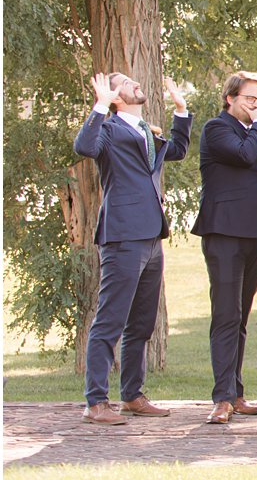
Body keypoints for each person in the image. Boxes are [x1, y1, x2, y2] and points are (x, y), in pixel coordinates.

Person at [73, 71, 191, 425]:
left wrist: (181, 111)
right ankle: (96, 402)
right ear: (116, 95)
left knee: (141, 323)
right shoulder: (108, 131)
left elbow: (179, 150)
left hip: (153, 235)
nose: (134, 82)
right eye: (124, 81)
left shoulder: (146, 131)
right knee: (110, 320)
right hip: (122, 235)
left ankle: (132, 396)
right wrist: (100, 105)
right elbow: (84, 148)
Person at [192, 70, 257, 425]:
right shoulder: (217, 128)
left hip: (256, 234)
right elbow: (242, 156)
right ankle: (222, 398)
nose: (256, 106)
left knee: (241, 315)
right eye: (249, 99)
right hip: (225, 233)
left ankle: (237, 392)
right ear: (230, 98)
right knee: (226, 314)